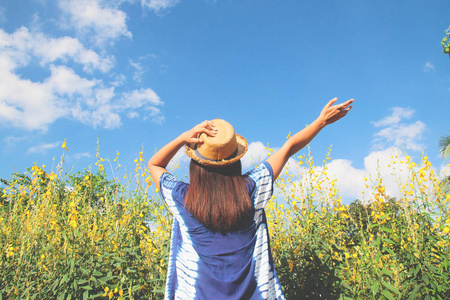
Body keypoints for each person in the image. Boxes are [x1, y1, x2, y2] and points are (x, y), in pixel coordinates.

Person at [148, 97, 354, 300]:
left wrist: (183, 138)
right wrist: (322, 121)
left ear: (196, 165)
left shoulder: (182, 199)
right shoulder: (251, 190)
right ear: (235, 162)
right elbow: (288, 148)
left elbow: (154, 165)